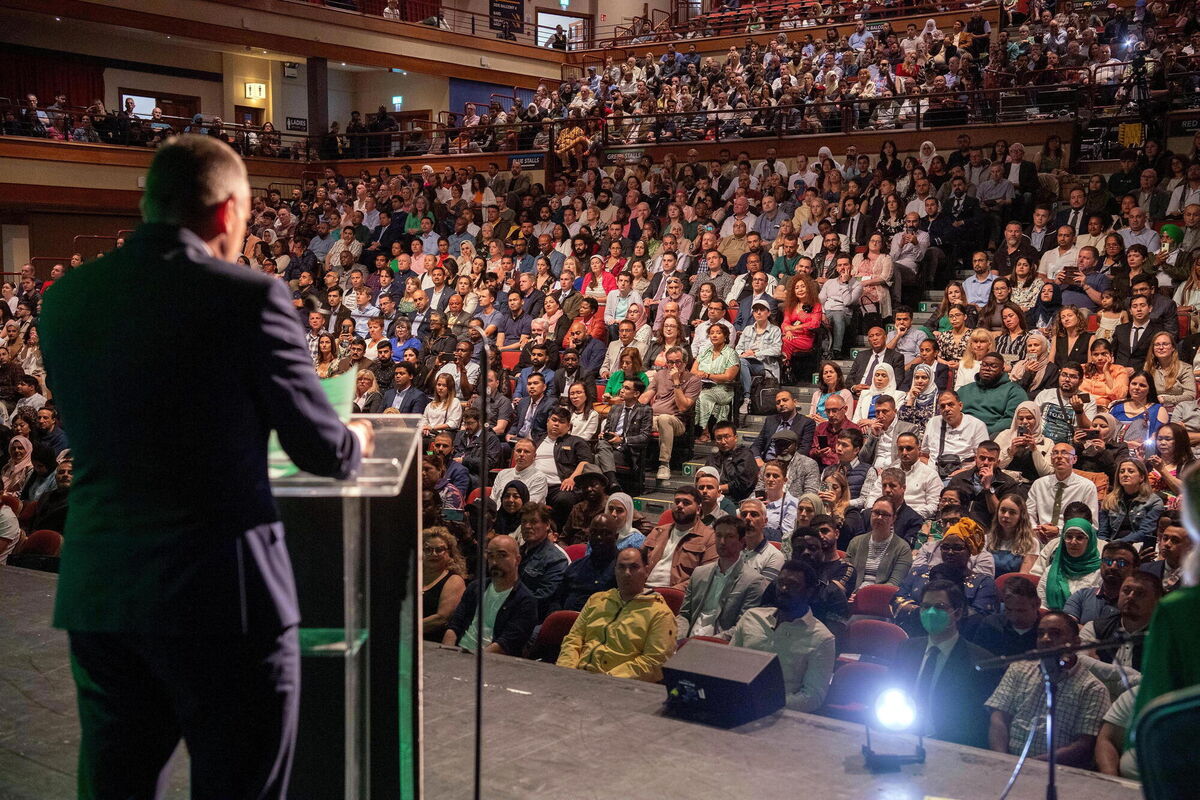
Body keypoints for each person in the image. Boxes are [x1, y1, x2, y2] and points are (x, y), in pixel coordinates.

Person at [40, 135, 370, 799]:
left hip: (103, 591)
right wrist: (355, 432)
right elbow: (323, 452)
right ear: (226, 212)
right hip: (225, 599)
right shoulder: (249, 297)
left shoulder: (68, 296)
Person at [986, 611, 1112, 765]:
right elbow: (999, 718)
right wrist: (1003, 760)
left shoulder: (1093, 688)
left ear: (1076, 643)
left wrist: (1028, 766)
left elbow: (1083, 746)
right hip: (1006, 764)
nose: (1045, 639)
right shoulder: (1018, 669)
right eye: (1041, 634)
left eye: (1055, 634)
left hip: (1057, 772)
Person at [889, 579, 999, 748]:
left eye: (940, 607)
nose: (931, 613)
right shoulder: (906, 649)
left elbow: (977, 722)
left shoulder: (980, 661)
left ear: (957, 613)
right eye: (925, 607)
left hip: (950, 747)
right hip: (902, 737)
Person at [728, 558, 837, 712]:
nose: (784, 588)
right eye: (781, 582)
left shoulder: (822, 639)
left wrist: (765, 703)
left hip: (782, 716)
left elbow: (812, 698)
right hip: (737, 706)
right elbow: (728, 666)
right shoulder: (751, 618)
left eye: (793, 585)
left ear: (809, 592)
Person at [556, 546, 678, 682]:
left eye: (634, 567)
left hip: (619, 686)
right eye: (621, 567)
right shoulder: (597, 600)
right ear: (615, 570)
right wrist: (567, 671)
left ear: (646, 571)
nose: (627, 573)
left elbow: (654, 662)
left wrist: (607, 680)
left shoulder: (660, 614)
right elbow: (573, 639)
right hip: (575, 677)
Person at [675, 516, 769, 639]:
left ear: (742, 542)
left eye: (729, 537)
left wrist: (708, 643)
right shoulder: (699, 573)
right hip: (688, 640)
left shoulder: (753, 581)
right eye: (718, 535)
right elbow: (684, 615)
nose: (722, 542)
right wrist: (679, 640)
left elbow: (742, 627)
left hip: (719, 645)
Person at [443, 534, 537, 656]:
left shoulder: (526, 601)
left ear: (517, 560)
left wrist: (472, 662)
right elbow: (454, 626)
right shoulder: (475, 587)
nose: (494, 562)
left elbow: (505, 645)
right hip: (459, 652)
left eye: (502, 555)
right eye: (490, 556)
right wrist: (446, 654)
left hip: (490, 662)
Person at [643, 486, 717, 591]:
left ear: (698, 510)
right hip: (643, 589)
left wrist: (670, 592)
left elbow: (705, 577)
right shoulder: (658, 531)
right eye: (677, 502)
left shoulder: (710, 537)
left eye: (686, 503)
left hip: (675, 595)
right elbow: (638, 562)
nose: (679, 506)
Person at [548, 514, 620, 615]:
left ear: (616, 537)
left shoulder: (622, 570)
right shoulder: (576, 567)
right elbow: (556, 600)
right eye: (594, 532)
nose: (599, 537)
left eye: (605, 533)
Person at [1026, 443, 1100, 537]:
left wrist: (1059, 531)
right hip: (1039, 536)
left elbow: (1092, 525)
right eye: (1055, 453)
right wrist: (1035, 529)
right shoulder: (1039, 484)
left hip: (1071, 537)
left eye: (1064, 453)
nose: (1059, 456)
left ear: (1074, 459)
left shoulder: (1087, 486)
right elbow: (1028, 514)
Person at [1063, 540, 1138, 629]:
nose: (1113, 567)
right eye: (1107, 561)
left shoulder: (1137, 602)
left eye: (1121, 563)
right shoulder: (1082, 596)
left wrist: (1086, 630)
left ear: (1135, 569)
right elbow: (1066, 627)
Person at [1032, 518, 1104, 611]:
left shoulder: (1100, 573)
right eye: (1069, 537)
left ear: (1090, 541)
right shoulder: (1052, 570)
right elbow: (1041, 604)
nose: (1073, 542)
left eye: (1080, 537)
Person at [594, 378, 652, 492]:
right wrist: (604, 434)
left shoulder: (645, 410)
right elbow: (607, 429)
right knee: (602, 445)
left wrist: (622, 440)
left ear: (636, 394)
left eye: (626, 388)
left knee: (596, 458)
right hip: (609, 446)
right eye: (622, 387)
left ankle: (606, 488)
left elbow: (645, 437)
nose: (621, 390)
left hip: (627, 451)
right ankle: (613, 483)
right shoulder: (615, 408)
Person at [846, 498, 913, 590]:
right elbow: (845, 575)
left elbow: (894, 584)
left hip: (882, 597)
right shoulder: (855, 542)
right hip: (851, 595)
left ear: (894, 518)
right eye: (876, 512)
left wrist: (863, 595)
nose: (879, 517)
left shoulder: (903, 548)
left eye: (885, 514)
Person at [965, 575, 1040, 657]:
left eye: (1021, 611)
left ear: (1037, 604)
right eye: (1009, 610)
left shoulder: (1046, 631)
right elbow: (976, 659)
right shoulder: (991, 625)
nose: (1014, 617)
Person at [517, 503, 570, 619]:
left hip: (537, 617)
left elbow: (543, 597)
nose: (527, 526)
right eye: (524, 522)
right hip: (514, 612)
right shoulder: (518, 552)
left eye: (533, 522)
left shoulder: (556, 559)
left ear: (546, 525)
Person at [958, 353, 1028, 437]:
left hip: (992, 436)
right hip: (961, 433)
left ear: (1002, 369)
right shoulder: (965, 390)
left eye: (993, 366)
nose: (987, 369)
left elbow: (1011, 419)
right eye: (984, 365)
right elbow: (954, 412)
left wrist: (982, 432)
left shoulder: (1014, 391)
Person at [1099, 458, 1163, 545]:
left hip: (1138, 546)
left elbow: (1145, 532)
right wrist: (1103, 544)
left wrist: (1115, 544)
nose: (1125, 474)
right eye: (1122, 471)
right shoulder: (1109, 500)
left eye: (1131, 471)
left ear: (1141, 477)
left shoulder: (1154, 502)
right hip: (1110, 546)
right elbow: (1103, 532)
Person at [421, 529, 467, 642]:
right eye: (427, 549)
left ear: (450, 554)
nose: (433, 554)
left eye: (439, 550)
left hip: (433, 643)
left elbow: (441, 619)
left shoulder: (454, 580)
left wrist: (405, 628)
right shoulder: (412, 576)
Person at [750, 389, 816, 467]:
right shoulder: (770, 420)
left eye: (785, 400)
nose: (781, 404)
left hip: (790, 464)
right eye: (778, 402)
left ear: (795, 402)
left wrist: (783, 463)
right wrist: (758, 459)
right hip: (765, 463)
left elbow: (804, 450)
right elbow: (757, 444)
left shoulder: (806, 422)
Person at [705, 420, 759, 502]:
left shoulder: (745, 455)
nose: (723, 442)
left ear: (735, 438)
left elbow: (743, 485)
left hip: (737, 500)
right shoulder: (712, 458)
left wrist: (717, 488)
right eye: (719, 438)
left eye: (727, 437)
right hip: (713, 499)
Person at [736, 498, 787, 581]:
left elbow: (761, 591)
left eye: (754, 514)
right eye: (744, 514)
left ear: (765, 521)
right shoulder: (732, 550)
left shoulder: (774, 556)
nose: (748, 518)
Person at [490, 439, 549, 504]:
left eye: (526, 452)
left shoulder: (539, 478)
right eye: (518, 451)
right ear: (513, 453)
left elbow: (530, 507)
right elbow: (492, 500)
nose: (521, 454)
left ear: (534, 456)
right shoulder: (502, 474)